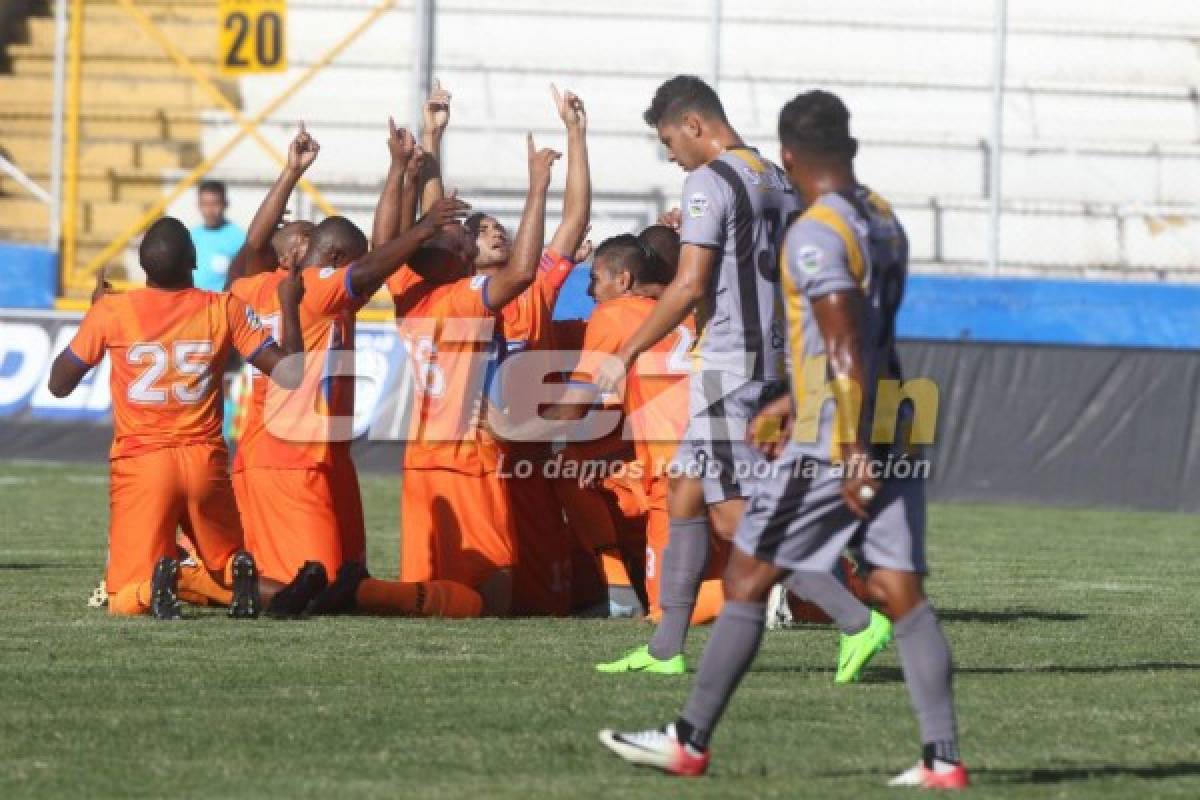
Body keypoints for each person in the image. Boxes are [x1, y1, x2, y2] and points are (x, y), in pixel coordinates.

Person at [598, 90, 968, 790]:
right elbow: (867, 328)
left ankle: (689, 737)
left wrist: (839, 437)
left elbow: (839, 337)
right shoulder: (883, 219)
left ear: (793, 154)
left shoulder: (808, 225)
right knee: (900, 585)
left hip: (823, 423)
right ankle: (943, 757)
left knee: (745, 561)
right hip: (883, 412)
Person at [595, 75, 888, 678]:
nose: (670, 155)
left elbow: (692, 283)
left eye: (670, 141)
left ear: (695, 125)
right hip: (770, 361)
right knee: (685, 491)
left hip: (730, 364)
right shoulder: (780, 180)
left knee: (734, 516)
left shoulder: (708, 180)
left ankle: (857, 618)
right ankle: (664, 649)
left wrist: (624, 353)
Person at [229, 122, 470, 615]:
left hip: (315, 453)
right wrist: (423, 224)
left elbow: (253, 247)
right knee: (317, 588)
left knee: (342, 576)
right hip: (289, 458)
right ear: (326, 256)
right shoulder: (319, 286)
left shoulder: (253, 287)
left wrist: (294, 172)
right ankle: (433, 601)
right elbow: (375, 263)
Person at [46, 217, 305, 619]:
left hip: (143, 463)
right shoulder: (225, 307)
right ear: (195, 259)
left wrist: (95, 315)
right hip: (206, 461)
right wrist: (290, 303)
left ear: (143, 266)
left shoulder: (114, 311)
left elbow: (59, 383)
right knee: (224, 564)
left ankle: (156, 589)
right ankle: (241, 573)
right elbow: (290, 374)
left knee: (123, 596)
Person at [468, 84, 592, 617]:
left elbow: (574, 220)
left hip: (534, 455)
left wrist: (575, 133)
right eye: (484, 231)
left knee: (545, 599)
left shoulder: (535, 285)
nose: (496, 233)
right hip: (482, 458)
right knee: (489, 589)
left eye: (501, 228)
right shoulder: (456, 297)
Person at [190, 180, 246, 291]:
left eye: (215, 204)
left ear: (225, 204)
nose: (209, 210)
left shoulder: (239, 238)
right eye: (205, 204)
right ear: (198, 205)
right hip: (194, 303)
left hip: (221, 304)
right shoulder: (191, 236)